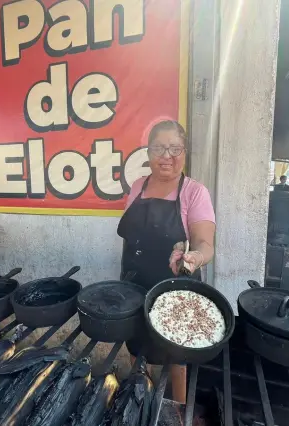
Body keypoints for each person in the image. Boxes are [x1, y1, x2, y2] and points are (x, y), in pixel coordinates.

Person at [118, 120, 216, 404]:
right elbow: (132, 237)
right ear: (148, 153)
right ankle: (142, 398)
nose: (167, 156)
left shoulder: (194, 192)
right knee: (140, 349)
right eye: (159, 148)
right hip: (135, 285)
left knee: (177, 359)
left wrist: (194, 257)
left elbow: (204, 244)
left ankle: (178, 410)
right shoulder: (137, 186)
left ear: (185, 152)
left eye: (175, 148)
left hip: (176, 291)